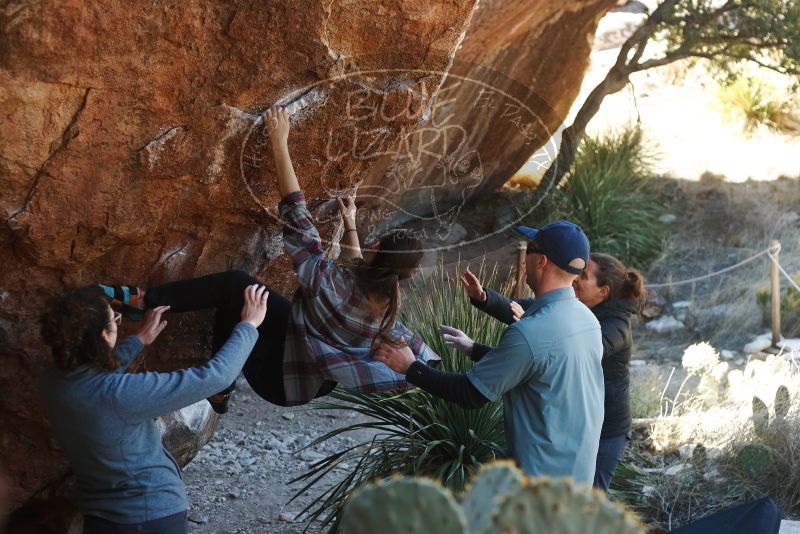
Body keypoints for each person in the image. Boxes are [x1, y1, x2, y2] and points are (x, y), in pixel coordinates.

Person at [101, 107, 439, 411]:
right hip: (310, 371)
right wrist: (349, 224)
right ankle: (214, 385)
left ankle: (153, 309)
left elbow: (297, 216)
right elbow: (357, 273)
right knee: (249, 299)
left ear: (377, 251)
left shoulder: (327, 283)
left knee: (237, 290)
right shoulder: (387, 309)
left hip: (280, 378)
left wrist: (280, 142)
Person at [374, 222, 604, 484]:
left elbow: (471, 393)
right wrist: (472, 347)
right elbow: (535, 367)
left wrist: (411, 367)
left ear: (541, 261)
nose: (525, 256)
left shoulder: (530, 332)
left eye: (529, 248)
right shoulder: (587, 321)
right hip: (576, 478)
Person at [39, 284, 268, 533]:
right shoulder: (121, 395)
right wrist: (248, 325)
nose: (118, 320)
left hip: (100, 519)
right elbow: (216, 376)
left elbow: (92, 379)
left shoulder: (53, 382)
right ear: (104, 335)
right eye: (115, 319)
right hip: (151, 517)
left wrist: (137, 341)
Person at [450, 252, 645, 490]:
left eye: (583, 276)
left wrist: (533, 328)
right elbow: (524, 309)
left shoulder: (617, 327)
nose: (574, 279)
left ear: (602, 291)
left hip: (606, 430)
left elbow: (562, 351)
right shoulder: (571, 307)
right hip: (574, 421)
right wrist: (484, 298)